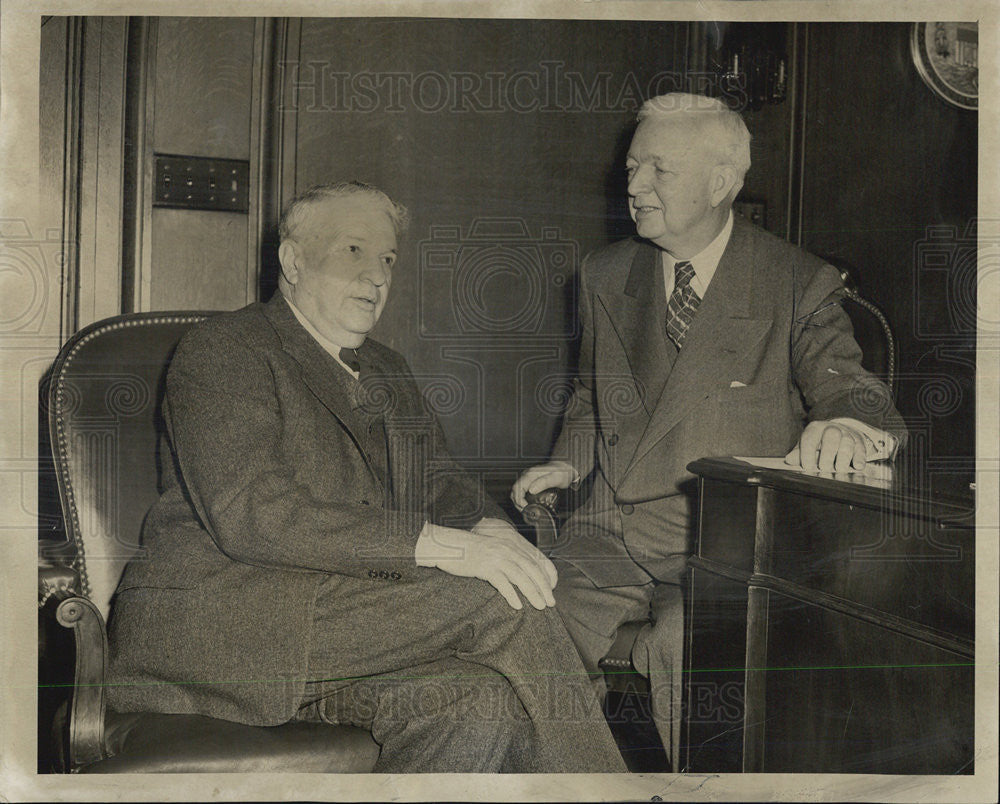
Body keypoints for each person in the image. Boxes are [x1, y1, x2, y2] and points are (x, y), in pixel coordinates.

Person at [107, 181, 627, 773]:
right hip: (226, 623)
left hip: (342, 629)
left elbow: (438, 481)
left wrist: (492, 529)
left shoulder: (385, 367)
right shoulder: (226, 349)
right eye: (353, 251)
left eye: (387, 259)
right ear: (292, 260)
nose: (377, 276)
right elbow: (255, 514)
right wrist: (445, 549)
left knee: (477, 703)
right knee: (502, 599)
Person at [511, 93, 907, 769]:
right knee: (517, 623)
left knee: (690, 651)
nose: (633, 185)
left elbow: (855, 392)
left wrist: (844, 425)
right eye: (632, 167)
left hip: (723, 547)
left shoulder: (795, 281)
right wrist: (566, 466)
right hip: (608, 532)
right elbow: (588, 396)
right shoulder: (606, 273)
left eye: (657, 169)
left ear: (722, 182)